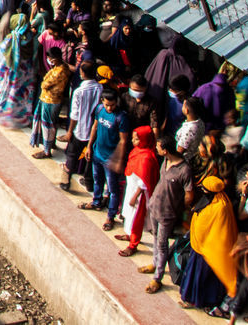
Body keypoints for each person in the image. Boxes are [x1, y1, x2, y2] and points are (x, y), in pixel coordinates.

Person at [142, 135, 195, 293]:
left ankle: (157, 277)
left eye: (158, 147)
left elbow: (189, 195)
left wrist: (177, 206)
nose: (157, 150)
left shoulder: (184, 170)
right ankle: (154, 263)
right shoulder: (165, 161)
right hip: (155, 206)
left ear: (165, 150)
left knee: (162, 244)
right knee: (156, 238)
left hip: (167, 213)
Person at [178, 176, 239, 310]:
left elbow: (212, 227)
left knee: (200, 278)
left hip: (209, 249)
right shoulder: (216, 199)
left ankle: (195, 300)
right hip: (201, 246)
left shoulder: (220, 207)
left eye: (204, 189)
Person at [81, 88, 130, 230]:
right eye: (107, 105)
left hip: (110, 159)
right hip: (97, 153)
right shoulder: (99, 109)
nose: (109, 108)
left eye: (112, 105)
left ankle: (111, 216)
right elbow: (94, 127)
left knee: (113, 189)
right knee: (97, 180)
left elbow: (123, 141)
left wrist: (119, 160)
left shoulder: (121, 117)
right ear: (103, 101)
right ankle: (96, 202)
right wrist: (89, 146)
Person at [117, 126, 159, 256]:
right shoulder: (138, 151)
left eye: (137, 139)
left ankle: (133, 244)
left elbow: (144, 181)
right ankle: (129, 234)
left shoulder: (146, 157)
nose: (133, 141)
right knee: (130, 215)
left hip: (139, 194)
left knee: (136, 218)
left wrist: (135, 196)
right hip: (131, 188)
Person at [61, 62, 103, 191]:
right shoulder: (99, 88)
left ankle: (66, 180)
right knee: (90, 157)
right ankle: (89, 183)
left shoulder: (79, 91)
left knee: (72, 155)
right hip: (94, 131)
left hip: (80, 129)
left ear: (82, 74)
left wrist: (69, 132)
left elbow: (74, 114)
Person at [0, 13, 34, 129]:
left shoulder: (11, 38)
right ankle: (20, 118)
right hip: (25, 75)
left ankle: (6, 116)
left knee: (8, 94)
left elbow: (2, 54)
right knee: (20, 96)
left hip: (10, 73)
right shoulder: (30, 38)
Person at [31, 46, 71, 159]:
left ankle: (47, 150)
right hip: (48, 99)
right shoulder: (60, 67)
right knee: (51, 123)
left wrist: (44, 83)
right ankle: (50, 144)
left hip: (51, 101)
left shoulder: (60, 70)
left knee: (48, 125)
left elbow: (45, 84)